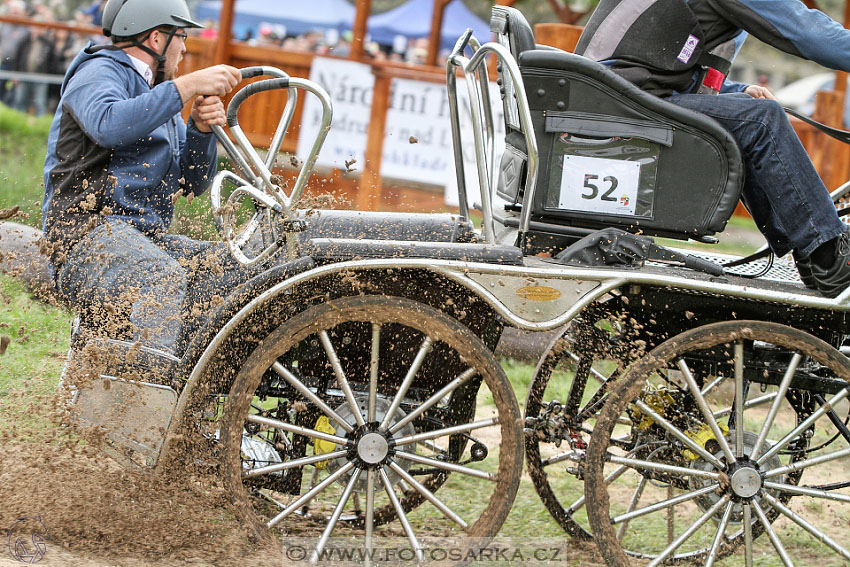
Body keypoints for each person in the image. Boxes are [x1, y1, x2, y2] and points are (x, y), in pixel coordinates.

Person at [575, 0, 850, 297]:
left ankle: (811, 254)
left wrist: (737, 91)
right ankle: (827, 254)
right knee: (762, 121)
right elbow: (808, 32)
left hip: (611, 100)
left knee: (751, 112)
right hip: (625, 106)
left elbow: (662, 56)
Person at [42, 0, 252, 357]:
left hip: (141, 240)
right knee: (161, 278)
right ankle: (147, 394)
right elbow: (108, 125)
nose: (185, 48)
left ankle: (186, 382)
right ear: (157, 38)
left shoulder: (157, 91)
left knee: (227, 269)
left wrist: (200, 130)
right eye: (181, 36)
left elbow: (193, 183)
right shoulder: (98, 72)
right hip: (82, 237)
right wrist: (185, 88)